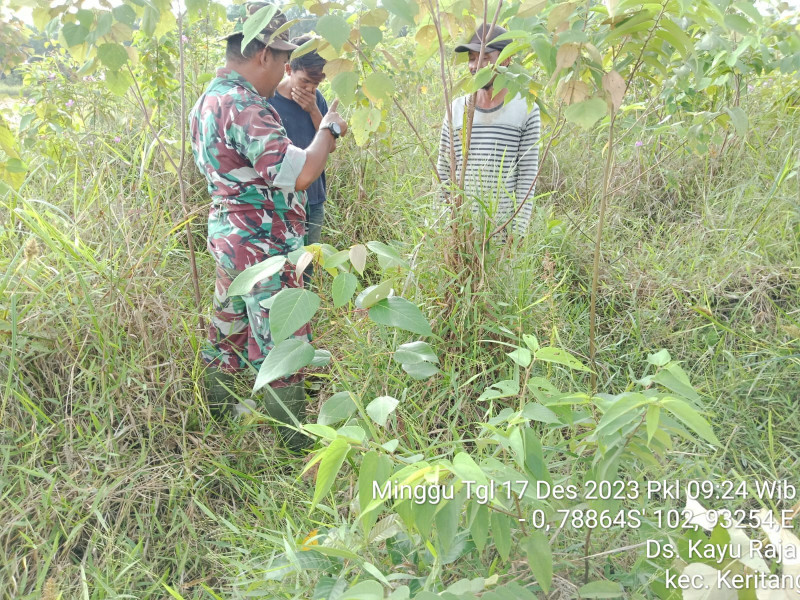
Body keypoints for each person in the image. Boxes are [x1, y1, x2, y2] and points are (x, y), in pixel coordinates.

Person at [188, 2, 347, 451]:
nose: (282, 72)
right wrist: (330, 128)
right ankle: (294, 451)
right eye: (281, 61)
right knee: (287, 341)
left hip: (231, 237)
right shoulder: (242, 105)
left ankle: (216, 422)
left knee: (229, 331)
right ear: (263, 56)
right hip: (261, 243)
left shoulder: (209, 98)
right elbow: (299, 172)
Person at [436, 24, 540, 238]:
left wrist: (517, 233)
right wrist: (444, 226)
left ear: (507, 59)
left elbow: (527, 178)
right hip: (460, 232)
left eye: (485, 58)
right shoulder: (456, 109)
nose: (475, 66)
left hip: (502, 231)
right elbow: (444, 172)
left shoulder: (526, 109)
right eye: (472, 58)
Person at [269, 36, 329, 246]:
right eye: (304, 81)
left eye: (316, 83)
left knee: (309, 265)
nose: (310, 89)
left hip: (313, 198)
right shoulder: (269, 99)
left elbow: (330, 146)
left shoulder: (317, 100)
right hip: (280, 202)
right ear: (288, 70)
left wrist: (314, 111)